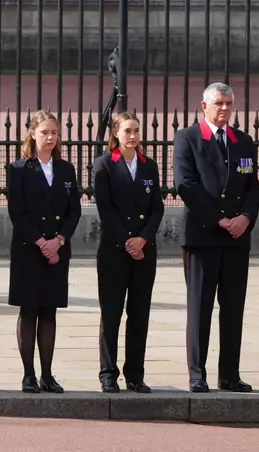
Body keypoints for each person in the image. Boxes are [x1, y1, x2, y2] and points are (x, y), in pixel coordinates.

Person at [173, 81, 259, 393]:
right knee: (201, 307)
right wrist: (221, 218)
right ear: (204, 106)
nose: (224, 109)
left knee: (234, 307)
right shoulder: (188, 137)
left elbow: (253, 187)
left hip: (237, 237)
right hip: (203, 235)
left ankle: (230, 374)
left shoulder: (243, 141)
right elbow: (185, 184)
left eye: (228, 104)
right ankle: (198, 373)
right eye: (219, 103)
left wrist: (245, 217)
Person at [6, 110, 80, 394]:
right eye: (44, 132)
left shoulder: (66, 170)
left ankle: (48, 374)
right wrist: (41, 242)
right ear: (32, 134)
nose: (50, 138)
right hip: (29, 249)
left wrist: (58, 240)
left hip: (57, 251)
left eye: (54, 133)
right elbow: (18, 212)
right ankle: (28, 374)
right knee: (29, 310)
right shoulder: (19, 169)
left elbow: (74, 210)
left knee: (49, 311)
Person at [91, 110, 162, 394]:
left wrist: (143, 239)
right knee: (111, 313)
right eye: (127, 131)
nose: (132, 136)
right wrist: (127, 241)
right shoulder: (104, 165)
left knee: (139, 312)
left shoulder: (149, 165)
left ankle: (135, 373)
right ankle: (108, 373)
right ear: (116, 134)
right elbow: (105, 209)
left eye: (136, 131)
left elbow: (157, 207)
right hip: (115, 250)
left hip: (144, 251)